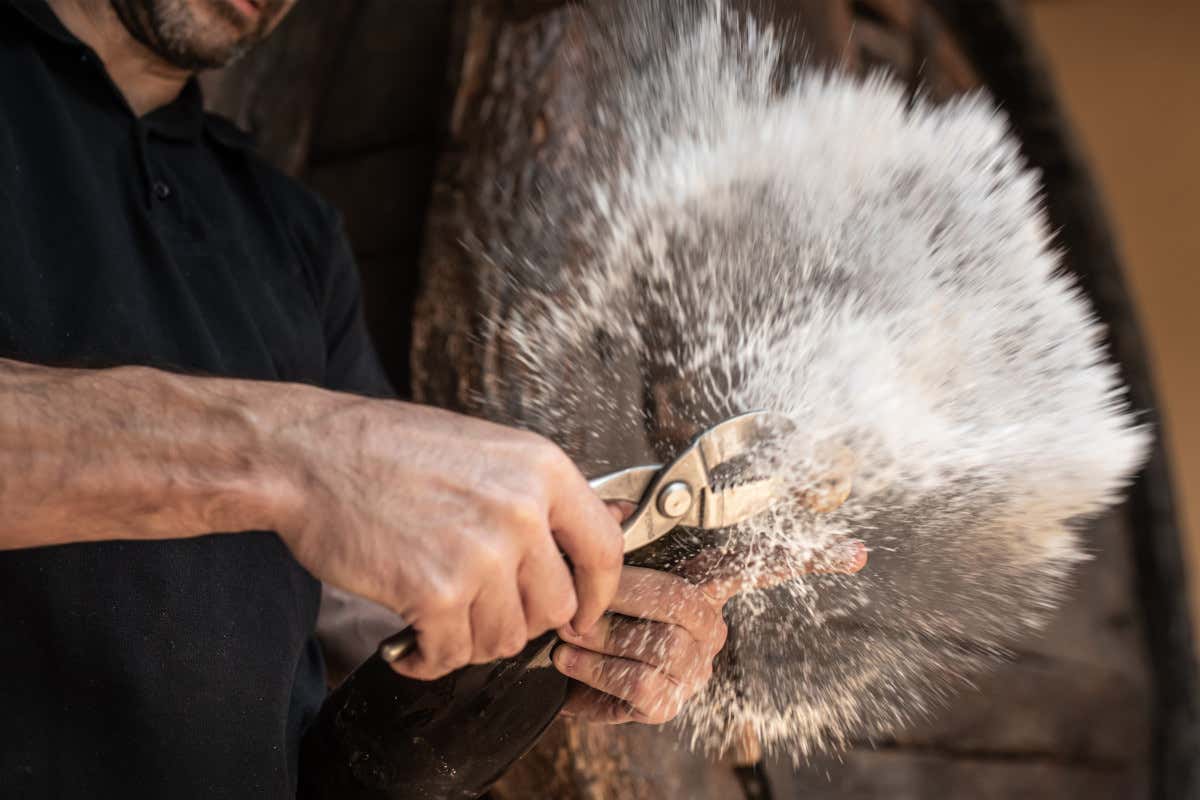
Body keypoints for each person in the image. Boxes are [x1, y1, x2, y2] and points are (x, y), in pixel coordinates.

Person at [0, 1, 864, 797]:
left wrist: (540, 633)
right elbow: (319, 468)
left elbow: (345, 731)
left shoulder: (290, 236)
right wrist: (290, 454)